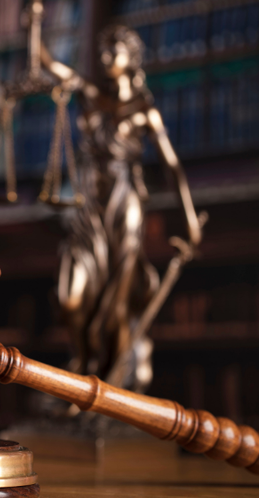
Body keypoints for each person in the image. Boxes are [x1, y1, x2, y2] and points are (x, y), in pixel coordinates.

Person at [36, 26, 204, 403]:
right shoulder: (91, 96)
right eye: (103, 50)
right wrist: (33, 23)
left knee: (116, 302)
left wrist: (190, 220)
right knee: (70, 298)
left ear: (132, 58)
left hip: (124, 207)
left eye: (114, 49)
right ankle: (81, 362)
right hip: (87, 210)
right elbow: (50, 67)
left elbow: (172, 166)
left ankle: (101, 385)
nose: (106, 56)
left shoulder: (145, 109)